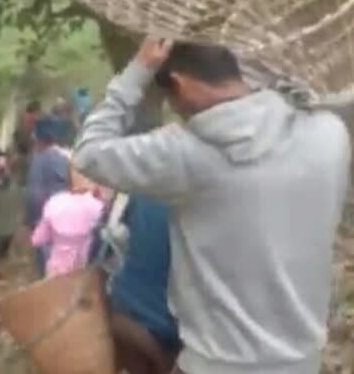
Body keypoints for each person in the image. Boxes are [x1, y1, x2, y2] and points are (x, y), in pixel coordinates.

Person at [72, 38, 351, 374]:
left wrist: (136, 71)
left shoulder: (183, 155)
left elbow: (88, 153)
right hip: (302, 363)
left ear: (180, 84)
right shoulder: (330, 133)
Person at [110, 195, 181, 374]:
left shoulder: (145, 185)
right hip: (165, 331)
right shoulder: (200, 198)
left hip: (123, 313)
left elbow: (120, 233)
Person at [30, 170, 105, 278]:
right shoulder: (97, 206)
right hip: (82, 269)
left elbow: (37, 240)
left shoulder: (55, 202)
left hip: (56, 270)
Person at [25, 116, 70, 277]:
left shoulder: (39, 160)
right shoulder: (67, 157)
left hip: (43, 216)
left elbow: (34, 194)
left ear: (39, 138)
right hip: (66, 216)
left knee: (45, 262)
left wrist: (30, 221)